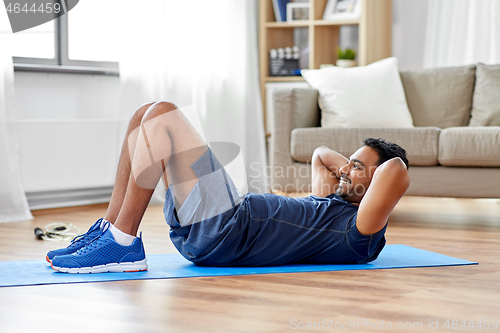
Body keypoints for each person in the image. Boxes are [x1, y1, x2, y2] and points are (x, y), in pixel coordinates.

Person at [47, 102, 410, 273]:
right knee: (142, 116)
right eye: (348, 161)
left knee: (163, 115)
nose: (344, 168)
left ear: (377, 184)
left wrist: (372, 170)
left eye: (357, 167)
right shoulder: (332, 201)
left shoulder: (359, 232)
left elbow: (396, 170)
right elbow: (320, 154)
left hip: (230, 225)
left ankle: (122, 244)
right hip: (219, 222)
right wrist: (355, 170)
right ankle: (109, 230)